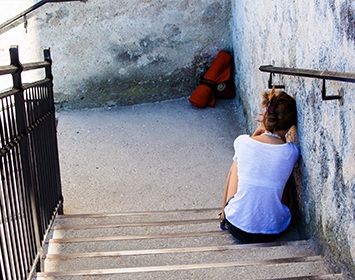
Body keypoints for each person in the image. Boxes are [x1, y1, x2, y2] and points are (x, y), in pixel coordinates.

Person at [220, 88, 300, 243]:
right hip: (275, 230)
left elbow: (253, 151)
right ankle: (276, 213)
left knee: (237, 165)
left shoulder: (242, 142)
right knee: (282, 173)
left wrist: (257, 132)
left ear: (266, 116)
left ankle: (223, 216)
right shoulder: (291, 152)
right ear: (291, 125)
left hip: (238, 227)